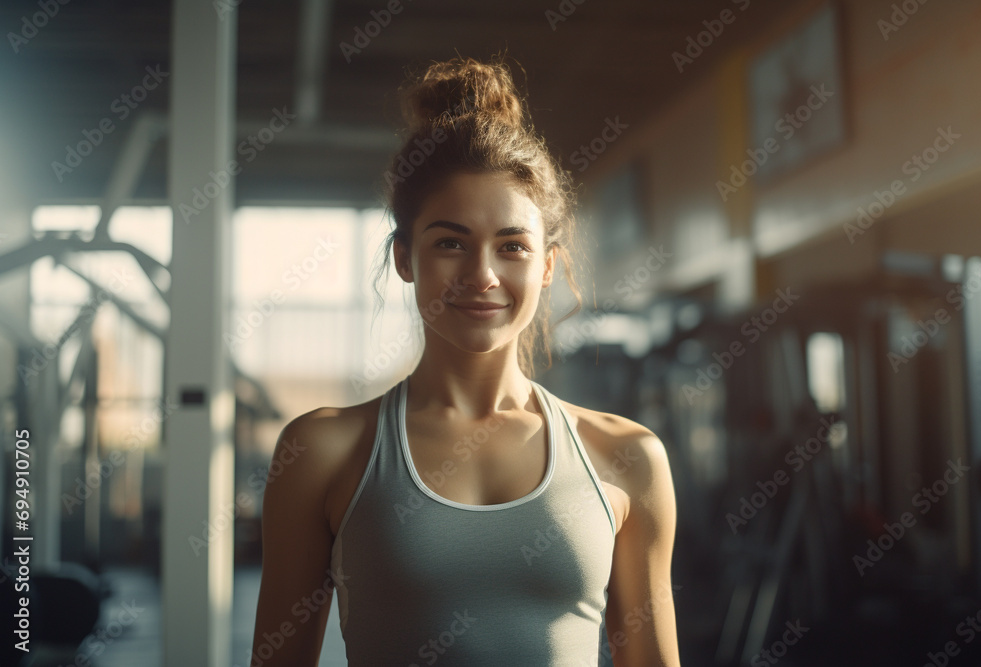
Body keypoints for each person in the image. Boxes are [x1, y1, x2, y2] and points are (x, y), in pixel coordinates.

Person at [250, 55, 681, 667]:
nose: (482, 276)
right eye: (450, 243)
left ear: (548, 266)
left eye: (512, 247)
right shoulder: (322, 451)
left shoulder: (627, 457)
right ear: (404, 258)